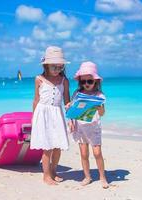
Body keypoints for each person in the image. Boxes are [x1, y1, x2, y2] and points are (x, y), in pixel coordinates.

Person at [30, 46, 70, 185]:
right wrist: (33, 118)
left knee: (58, 146)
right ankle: (46, 175)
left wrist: (71, 115)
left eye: (60, 67)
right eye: (54, 66)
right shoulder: (39, 79)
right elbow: (36, 100)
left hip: (57, 115)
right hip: (43, 115)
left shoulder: (64, 80)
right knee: (47, 147)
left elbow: (67, 100)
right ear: (46, 65)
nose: (57, 69)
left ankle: (54, 171)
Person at [68, 61, 109, 189]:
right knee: (84, 154)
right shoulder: (76, 94)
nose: (86, 84)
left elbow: (102, 113)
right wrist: (70, 117)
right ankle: (87, 176)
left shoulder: (99, 95)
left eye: (89, 81)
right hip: (80, 127)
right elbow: (72, 112)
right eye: (83, 81)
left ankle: (102, 177)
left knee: (97, 153)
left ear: (95, 81)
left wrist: (99, 108)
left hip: (94, 127)